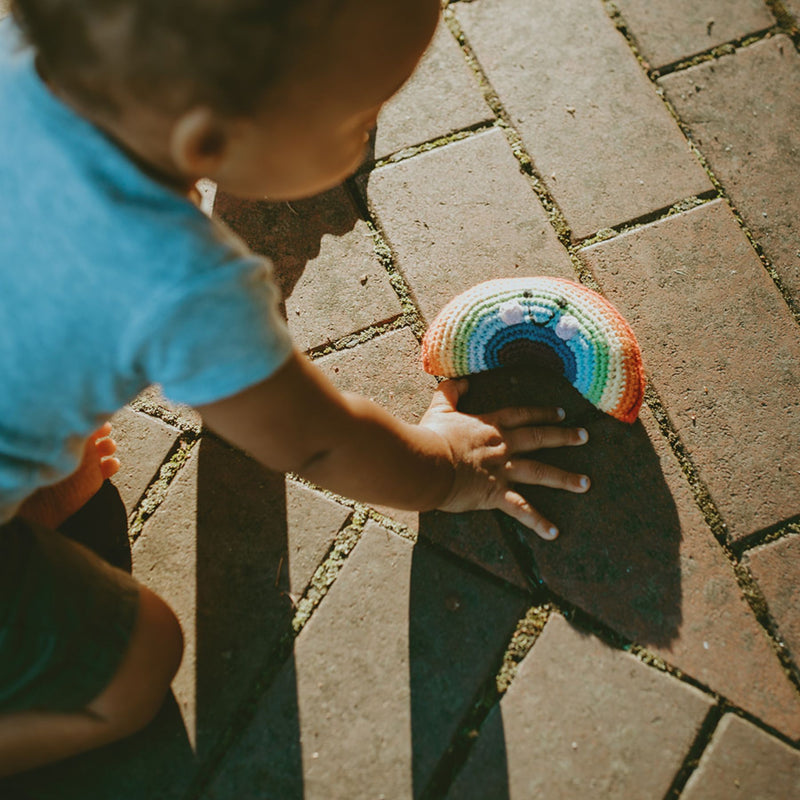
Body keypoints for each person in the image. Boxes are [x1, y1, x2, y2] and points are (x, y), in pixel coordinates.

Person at [0, 0, 591, 776]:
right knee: (144, 659)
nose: (364, 146)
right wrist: (448, 471)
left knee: (64, 468)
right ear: (207, 139)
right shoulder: (182, 286)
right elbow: (319, 439)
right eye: (356, 122)